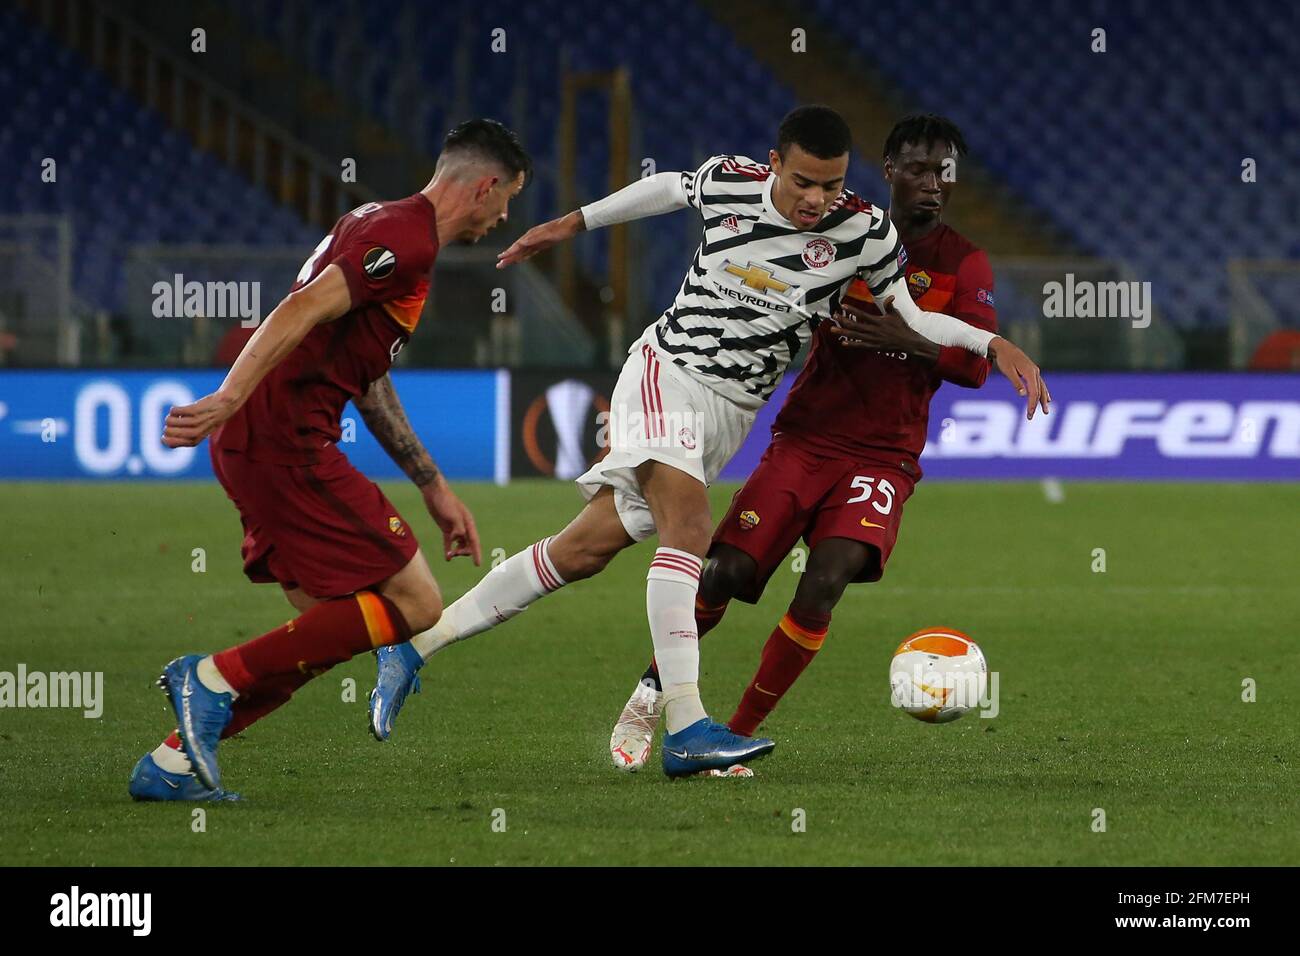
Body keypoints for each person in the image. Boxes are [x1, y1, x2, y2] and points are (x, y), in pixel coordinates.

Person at [369, 106, 1048, 778]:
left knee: (581, 552)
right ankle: (688, 726)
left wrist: (994, 342)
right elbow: (667, 187)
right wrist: (571, 224)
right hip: (671, 372)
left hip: (732, 412)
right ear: (775, 165)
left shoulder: (866, 231)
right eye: (804, 182)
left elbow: (914, 318)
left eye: (831, 185)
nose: (816, 199)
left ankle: (415, 645)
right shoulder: (730, 182)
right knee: (691, 532)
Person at [128, 119, 530, 801]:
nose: (505, 217)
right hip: (286, 440)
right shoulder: (405, 240)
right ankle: (209, 678)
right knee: (418, 602)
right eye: (509, 200)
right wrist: (229, 394)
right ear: (485, 185)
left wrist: (430, 483)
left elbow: (366, 375)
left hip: (261, 443)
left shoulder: (384, 223)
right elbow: (303, 306)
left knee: (323, 630)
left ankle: (169, 765)